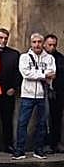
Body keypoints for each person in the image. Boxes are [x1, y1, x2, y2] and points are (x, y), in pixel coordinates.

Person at [12, 32, 56, 160]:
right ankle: (20, 150)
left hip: (43, 95)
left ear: (43, 43)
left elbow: (52, 73)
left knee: (42, 123)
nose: (37, 45)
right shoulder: (24, 57)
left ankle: (39, 150)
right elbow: (26, 73)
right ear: (30, 43)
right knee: (22, 123)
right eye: (34, 42)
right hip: (27, 95)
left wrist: (37, 74)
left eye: (39, 42)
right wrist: (43, 75)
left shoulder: (49, 58)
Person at [0, 28, 21, 152]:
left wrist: (14, 88)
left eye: (5, 38)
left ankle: (8, 145)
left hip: (7, 91)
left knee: (7, 119)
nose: (3, 40)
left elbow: (18, 73)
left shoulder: (14, 54)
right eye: (1, 37)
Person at [45, 34, 64, 152]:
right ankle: (45, 144)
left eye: (54, 45)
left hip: (57, 92)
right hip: (41, 92)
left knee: (56, 118)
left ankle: (56, 143)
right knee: (43, 120)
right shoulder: (39, 57)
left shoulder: (60, 58)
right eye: (50, 45)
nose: (52, 47)